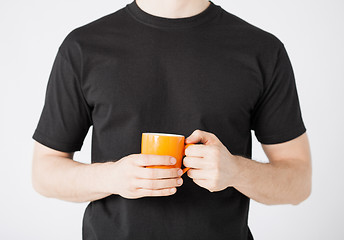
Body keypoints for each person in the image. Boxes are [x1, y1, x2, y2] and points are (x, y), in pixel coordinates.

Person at [31, 0, 312, 239]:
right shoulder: (83, 47)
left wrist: (235, 171)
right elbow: (44, 173)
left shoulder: (262, 50)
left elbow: (299, 183)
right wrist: (112, 177)